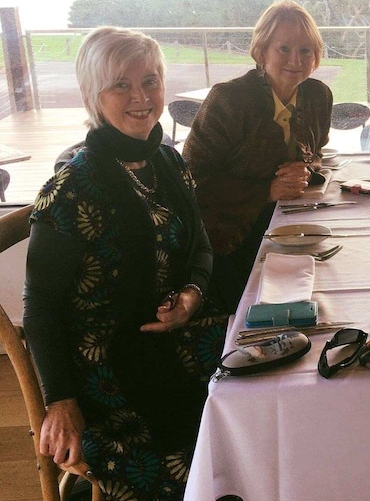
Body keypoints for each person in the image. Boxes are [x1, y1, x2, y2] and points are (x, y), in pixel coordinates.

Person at [23, 27, 229, 499]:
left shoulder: (167, 162)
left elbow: (200, 246)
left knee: (269, 383)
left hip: (176, 338)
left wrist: (193, 296)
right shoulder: (71, 188)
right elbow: (41, 306)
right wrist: (59, 400)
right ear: (93, 95)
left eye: (151, 82)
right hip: (107, 365)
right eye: (122, 85)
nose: (141, 97)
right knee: (209, 450)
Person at [183, 0, 333, 311]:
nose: (296, 59)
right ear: (261, 50)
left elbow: (317, 151)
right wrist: (266, 191)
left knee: (330, 285)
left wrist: (304, 169)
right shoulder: (228, 100)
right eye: (284, 48)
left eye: (306, 50)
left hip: (289, 225)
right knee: (268, 310)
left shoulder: (318, 95)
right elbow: (191, 179)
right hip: (232, 237)